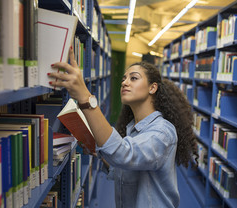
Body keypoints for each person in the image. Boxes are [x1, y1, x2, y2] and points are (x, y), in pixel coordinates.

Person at [48, 48, 197, 208]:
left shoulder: (162, 132)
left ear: (152, 88)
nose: (125, 82)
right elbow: (125, 168)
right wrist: (98, 151)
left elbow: (124, 154)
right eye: (124, 79)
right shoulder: (133, 128)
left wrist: (85, 97)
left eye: (134, 78)